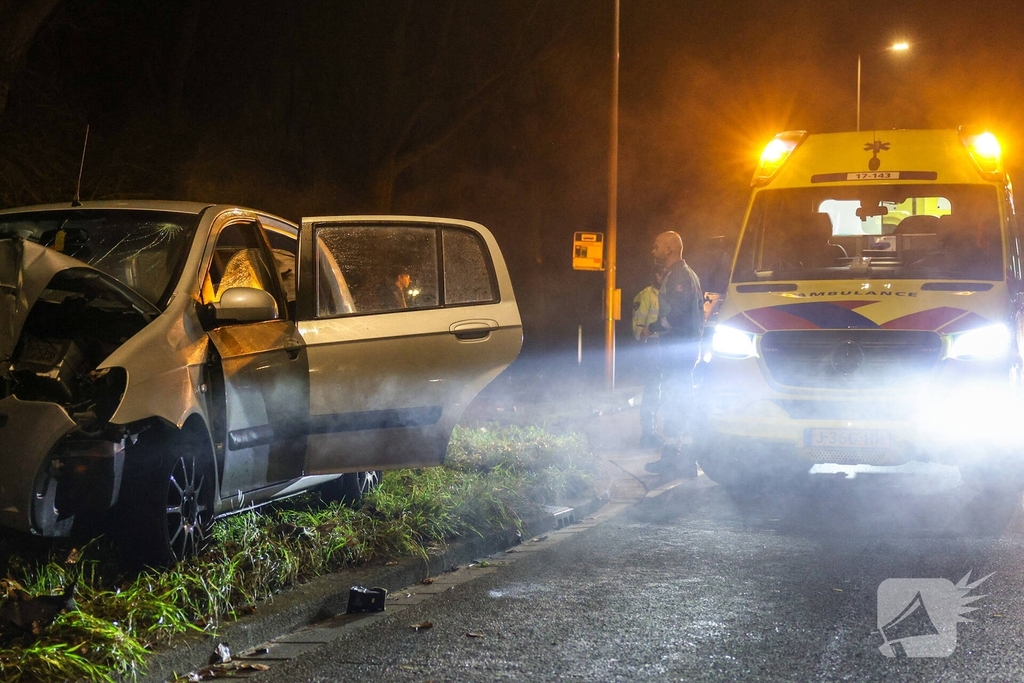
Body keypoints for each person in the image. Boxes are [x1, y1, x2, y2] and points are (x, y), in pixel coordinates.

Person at [643, 231, 704, 478]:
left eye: (657, 246)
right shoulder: (686, 274)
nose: (653, 250)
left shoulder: (679, 275)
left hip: (678, 348)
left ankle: (675, 460)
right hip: (684, 347)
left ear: (669, 249)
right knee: (679, 401)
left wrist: (654, 328)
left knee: (674, 401)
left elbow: (676, 315)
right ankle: (683, 460)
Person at [632, 267, 663, 448]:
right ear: (656, 274)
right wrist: (645, 337)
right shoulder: (646, 295)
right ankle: (647, 434)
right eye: (660, 272)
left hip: (663, 346)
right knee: (652, 391)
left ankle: (653, 433)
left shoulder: (667, 293)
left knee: (659, 391)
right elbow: (638, 324)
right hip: (651, 346)